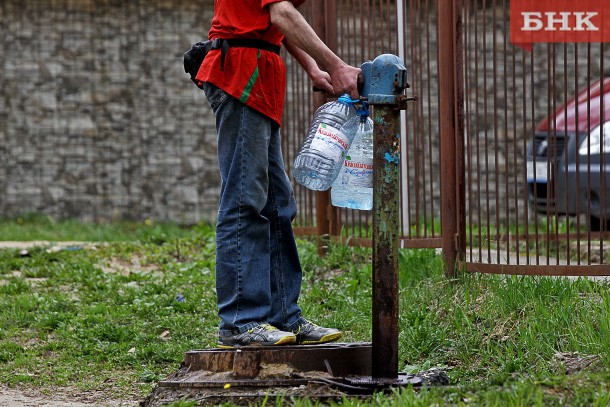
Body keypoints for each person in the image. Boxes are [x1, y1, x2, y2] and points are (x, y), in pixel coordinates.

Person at [195, 0, 361, 348]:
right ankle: (241, 321)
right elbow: (281, 14)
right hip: (240, 74)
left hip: (260, 78)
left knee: (278, 203)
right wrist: (337, 65)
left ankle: (284, 316)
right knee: (245, 199)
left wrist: (314, 68)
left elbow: (278, 24)